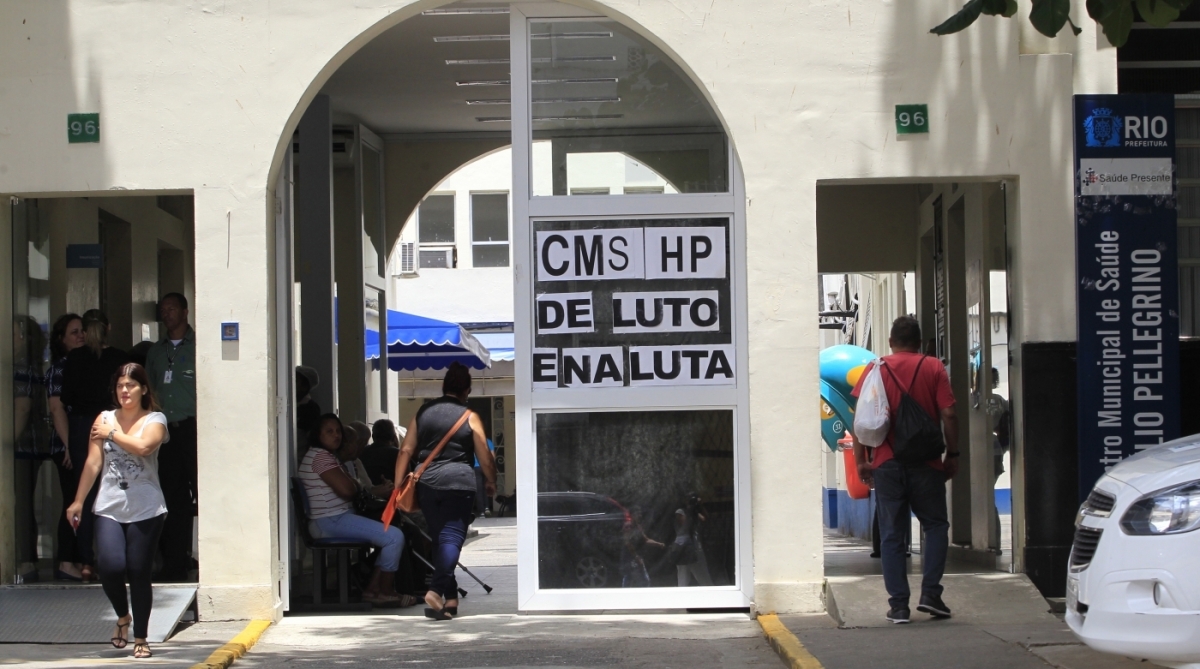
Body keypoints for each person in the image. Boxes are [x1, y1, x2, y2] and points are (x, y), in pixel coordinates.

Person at [851, 315, 959, 625]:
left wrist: (862, 461)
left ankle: (899, 606)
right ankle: (931, 595)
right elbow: (949, 414)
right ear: (921, 342)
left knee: (892, 535)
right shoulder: (933, 367)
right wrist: (953, 453)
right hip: (926, 463)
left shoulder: (875, 368)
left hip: (886, 465)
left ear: (890, 342)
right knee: (936, 526)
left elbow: (860, 420)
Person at [65, 363, 169, 659]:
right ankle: (123, 616)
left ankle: (141, 637)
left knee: (138, 571)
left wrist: (112, 434)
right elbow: (93, 462)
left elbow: (144, 447)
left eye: (131, 385)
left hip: (147, 508)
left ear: (143, 389)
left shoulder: (155, 420)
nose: (125, 391)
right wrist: (78, 501)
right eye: (120, 386)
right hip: (109, 506)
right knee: (109, 566)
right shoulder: (104, 418)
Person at [394, 362, 496, 620]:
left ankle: (450, 602)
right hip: (458, 483)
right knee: (452, 538)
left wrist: (397, 487)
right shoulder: (469, 416)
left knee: (440, 539)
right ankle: (437, 590)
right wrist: (491, 480)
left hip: (427, 483)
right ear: (467, 390)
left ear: (444, 386)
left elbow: (406, 450)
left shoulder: (423, 412)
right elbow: (484, 454)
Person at [298, 413, 411, 605]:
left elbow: (351, 486)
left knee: (391, 533)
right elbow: (347, 490)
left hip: (334, 519)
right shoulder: (320, 457)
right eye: (329, 431)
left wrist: (354, 485)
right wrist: (355, 485)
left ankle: (373, 590)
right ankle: (384, 591)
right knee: (394, 537)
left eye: (337, 431)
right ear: (317, 434)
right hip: (330, 521)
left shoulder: (325, 456)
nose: (336, 436)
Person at [60, 309, 129, 583]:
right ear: (108, 327)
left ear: (86, 331)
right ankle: (114, 559)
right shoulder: (119, 358)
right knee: (117, 488)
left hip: (81, 427)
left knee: (84, 494)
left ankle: (87, 561)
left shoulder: (75, 358)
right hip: (111, 423)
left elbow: (66, 397)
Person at [145, 293, 197, 582]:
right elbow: (150, 390)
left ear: (185, 312)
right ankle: (175, 564)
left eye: (172, 309)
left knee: (203, 494)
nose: (167, 314)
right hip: (165, 431)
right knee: (173, 500)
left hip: (193, 429)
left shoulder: (198, 347)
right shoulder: (155, 352)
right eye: (163, 310)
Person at [47, 313, 86, 581]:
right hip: (67, 447)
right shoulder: (60, 368)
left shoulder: (80, 363)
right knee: (72, 502)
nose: (80, 335)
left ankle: (80, 559)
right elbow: (56, 407)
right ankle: (66, 561)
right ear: (62, 339)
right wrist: (69, 446)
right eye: (74, 332)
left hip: (79, 444)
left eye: (82, 330)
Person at [13, 315, 48, 581]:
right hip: (27, 444)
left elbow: (22, 408)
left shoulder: (22, 367)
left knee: (21, 505)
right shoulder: (29, 365)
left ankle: (24, 562)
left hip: (22, 445)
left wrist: (7, 442)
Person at [341, 422, 392, 498]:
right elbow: (352, 494)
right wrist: (374, 493)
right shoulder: (334, 464)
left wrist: (385, 488)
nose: (363, 449)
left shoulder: (356, 462)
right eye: (363, 444)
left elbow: (368, 488)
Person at [673, 493, 714, 587]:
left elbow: (705, 518)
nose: (690, 501)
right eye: (689, 499)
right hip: (683, 547)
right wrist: (690, 509)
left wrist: (700, 506)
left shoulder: (695, 511)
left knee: (703, 576)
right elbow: (685, 525)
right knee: (683, 578)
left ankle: (709, 592)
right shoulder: (680, 511)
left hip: (694, 546)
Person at [360, 419, 400, 486]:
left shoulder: (362, 453)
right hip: (393, 494)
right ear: (394, 437)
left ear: (372, 437)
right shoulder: (398, 455)